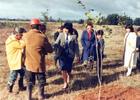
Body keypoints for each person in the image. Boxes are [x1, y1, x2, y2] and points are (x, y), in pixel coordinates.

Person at [23, 18, 53, 100]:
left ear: (31, 26)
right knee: (41, 81)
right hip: (39, 64)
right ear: (39, 26)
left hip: (28, 64)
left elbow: (22, 48)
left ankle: (28, 97)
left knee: (29, 82)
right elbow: (50, 50)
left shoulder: (25, 36)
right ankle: (41, 96)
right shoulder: (42, 37)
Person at [54, 23, 80, 89]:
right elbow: (56, 43)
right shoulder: (60, 35)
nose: (65, 30)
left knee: (68, 69)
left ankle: (68, 77)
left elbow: (76, 47)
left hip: (70, 55)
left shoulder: (74, 37)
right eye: (65, 28)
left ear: (70, 29)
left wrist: (77, 55)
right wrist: (57, 47)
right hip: (62, 54)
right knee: (63, 68)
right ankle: (65, 82)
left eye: (67, 29)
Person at [5, 27, 26, 93]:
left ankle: (21, 87)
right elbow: (22, 45)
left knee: (22, 73)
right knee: (13, 76)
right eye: (21, 35)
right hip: (14, 61)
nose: (22, 37)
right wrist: (25, 39)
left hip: (17, 61)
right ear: (17, 34)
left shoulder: (14, 39)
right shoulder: (12, 41)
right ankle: (9, 88)